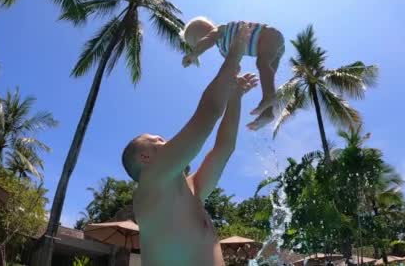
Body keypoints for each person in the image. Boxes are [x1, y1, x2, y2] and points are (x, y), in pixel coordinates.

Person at [122, 27, 258, 266]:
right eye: (159, 141)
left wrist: (235, 96)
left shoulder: (192, 191)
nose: (169, 142)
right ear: (146, 157)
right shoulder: (151, 183)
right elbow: (207, 115)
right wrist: (234, 55)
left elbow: (224, 148)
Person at [181, 17, 285, 130]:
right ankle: (268, 113)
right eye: (195, 44)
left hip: (268, 35)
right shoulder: (223, 50)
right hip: (275, 47)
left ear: (206, 27)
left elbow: (207, 40)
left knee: (262, 64)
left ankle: (269, 96)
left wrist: (194, 54)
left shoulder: (221, 29)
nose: (199, 44)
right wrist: (235, 78)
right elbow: (234, 65)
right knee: (268, 74)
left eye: (196, 40)